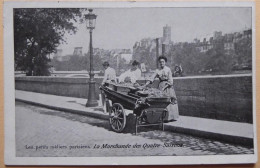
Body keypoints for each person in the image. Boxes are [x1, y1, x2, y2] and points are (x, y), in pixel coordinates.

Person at [145, 56, 179, 122]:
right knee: (161, 102)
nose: (161, 63)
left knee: (169, 101)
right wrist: (145, 84)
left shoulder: (168, 69)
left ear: (165, 62)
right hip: (161, 86)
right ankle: (163, 118)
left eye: (163, 62)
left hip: (168, 87)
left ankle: (171, 117)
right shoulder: (157, 70)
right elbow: (152, 78)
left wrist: (164, 87)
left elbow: (171, 81)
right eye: (160, 62)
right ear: (159, 63)